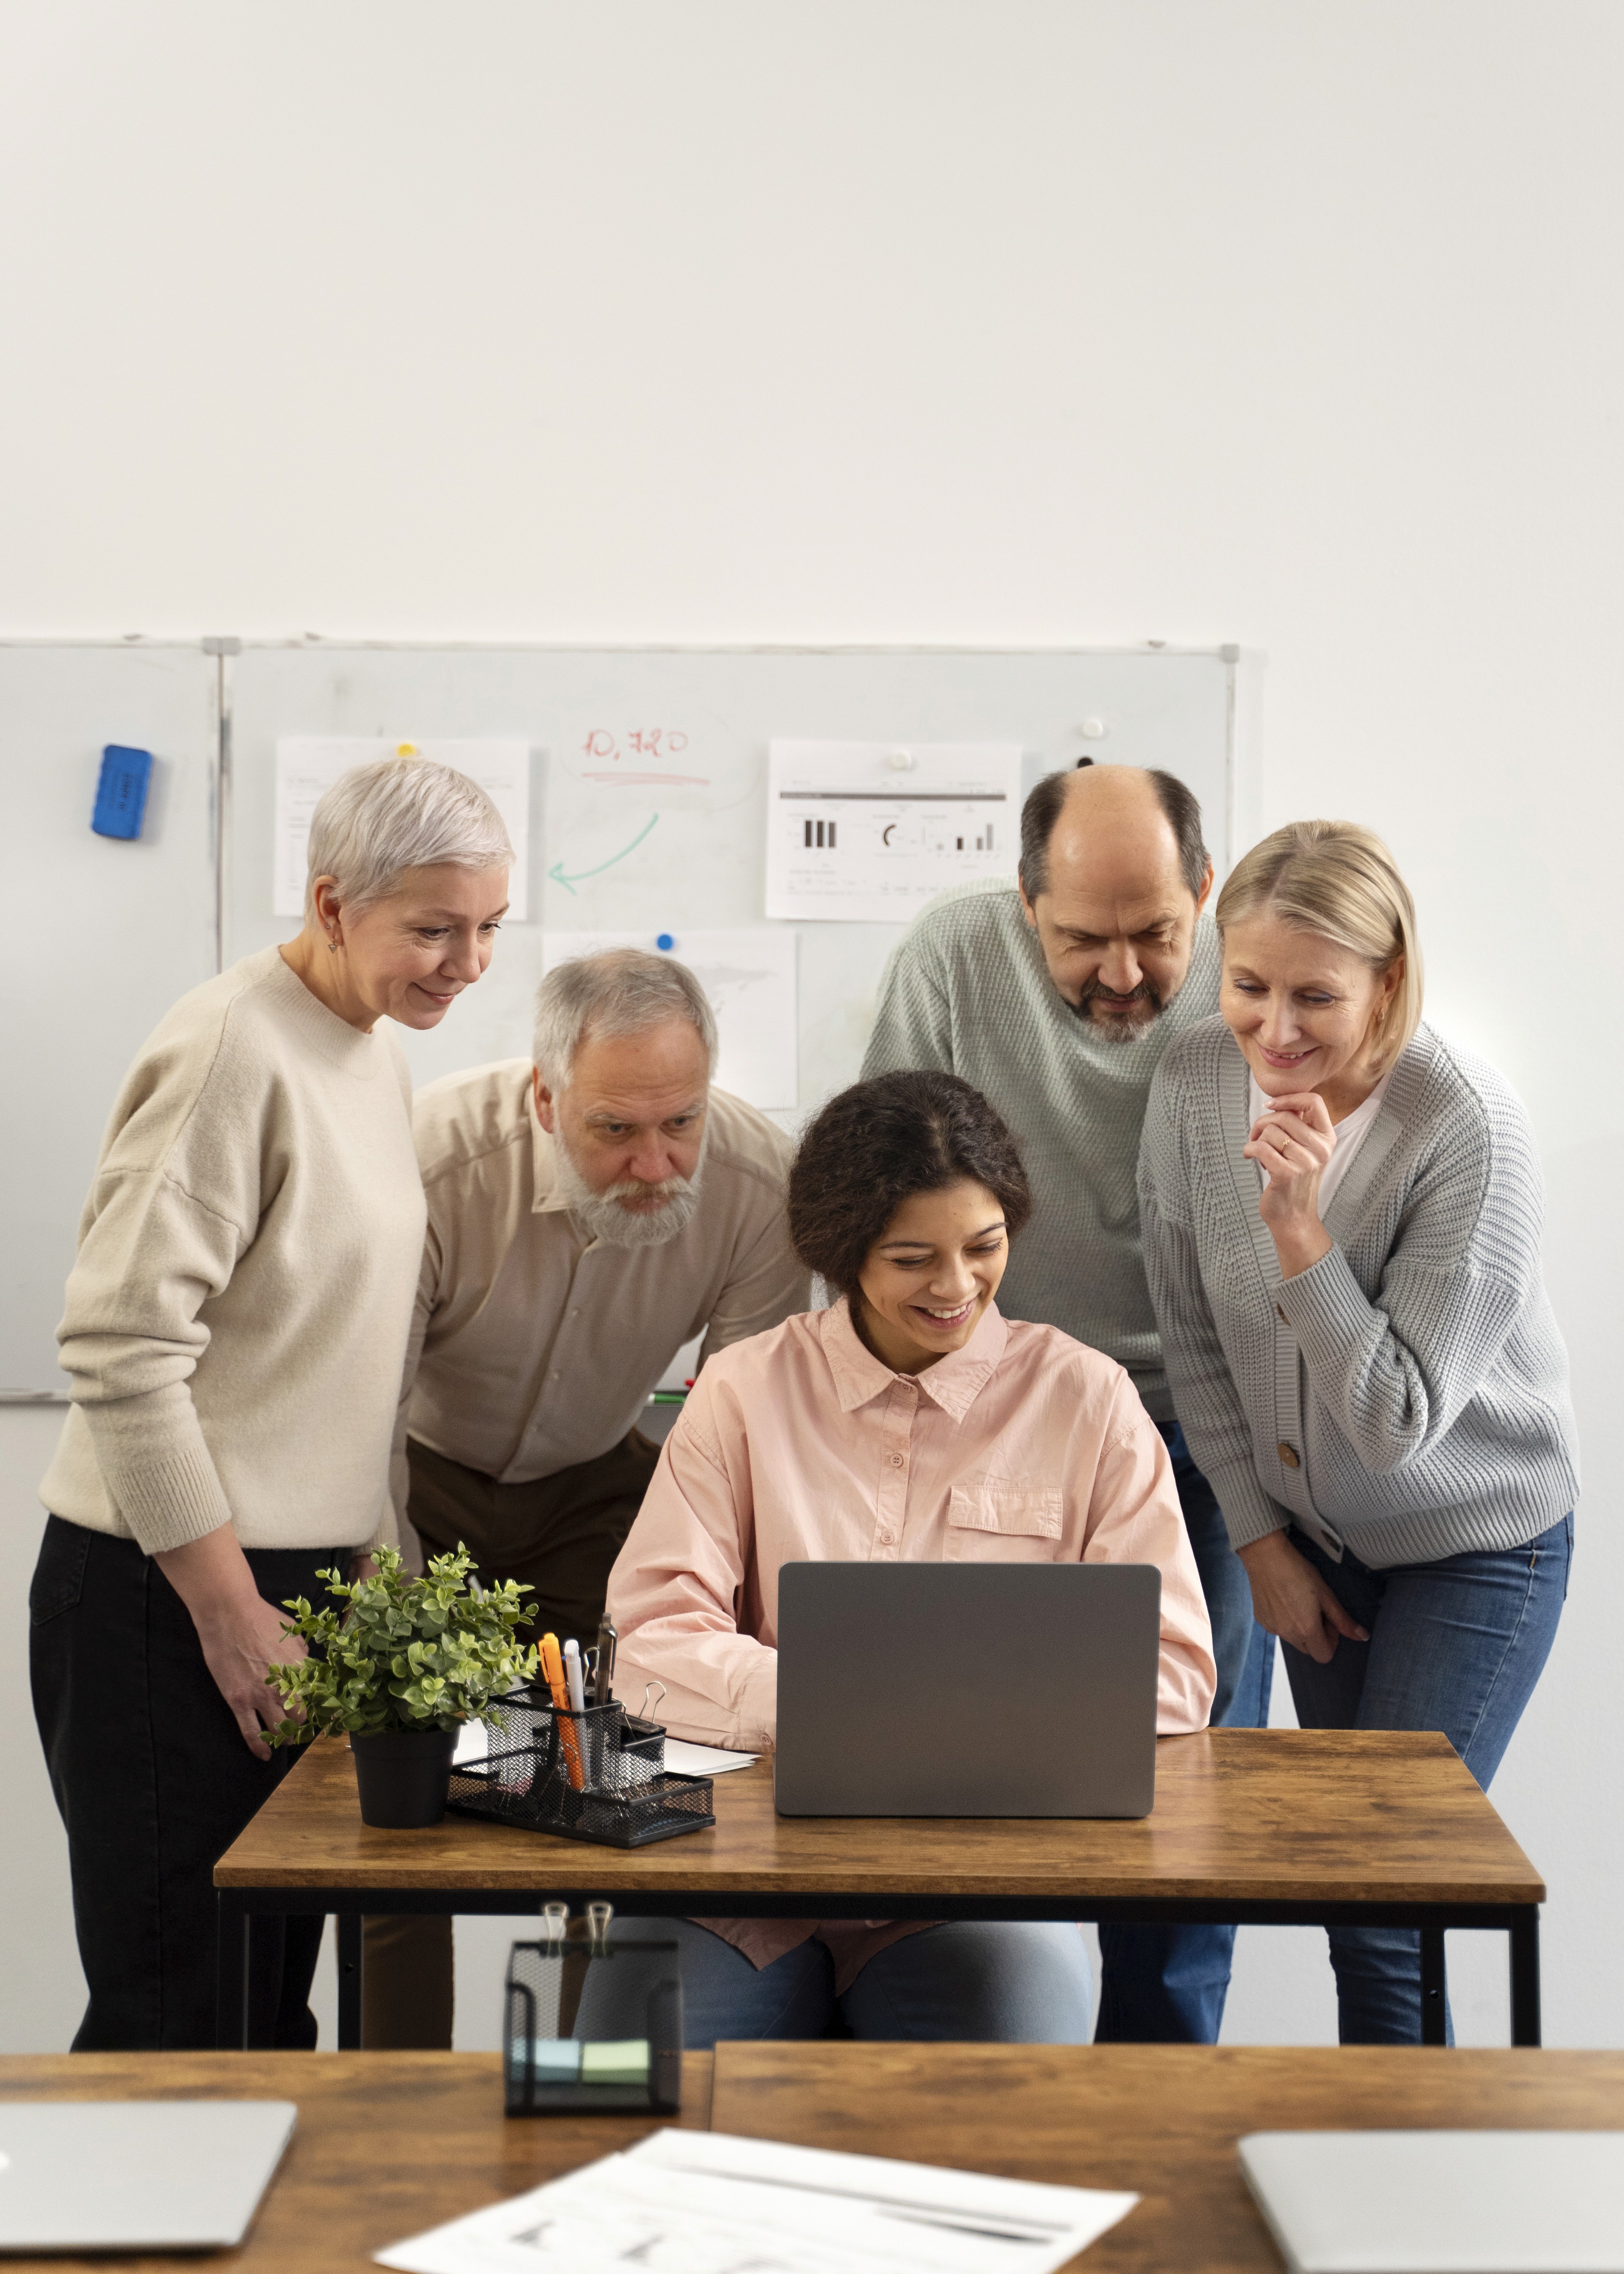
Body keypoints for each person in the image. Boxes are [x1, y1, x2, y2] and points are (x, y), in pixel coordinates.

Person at [29, 755, 511, 2052]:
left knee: (262, 2008)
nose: (466, 962)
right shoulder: (231, 1046)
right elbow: (122, 1346)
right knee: (179, 2011)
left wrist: (364, 1579)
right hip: (165, 1590)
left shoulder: (365, 1047)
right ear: (331, 901)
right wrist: (228, 1605)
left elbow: (327, 1358)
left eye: (488, 928)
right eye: (433, 927)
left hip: (297, 1589)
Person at [606, 1070, 1215, 2048]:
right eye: (912, 1257)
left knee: (1002, 2107)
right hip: (738, 1876)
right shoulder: (741, 1391)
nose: (957, 1286)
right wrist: (837, 1698)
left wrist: (927, 1714)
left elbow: (1176, 1672)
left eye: (985, 1247)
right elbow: (648, 1645)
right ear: (845, 1254)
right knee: (617, 2095)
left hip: (982, 1885)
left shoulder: (1089, 1400)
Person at [1139, 819, 1578, 2043]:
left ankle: (1407, 2200)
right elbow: (1191, 1339)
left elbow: (1393, 1421)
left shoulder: (1464, 1129)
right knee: (1350, 1889)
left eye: (1315, 995)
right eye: (1247, 986)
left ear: (1388, 981)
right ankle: (1375, 2162)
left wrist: (1298, 1233)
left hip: (1469, 1535)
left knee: (1386, 1889)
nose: (1274, 1030)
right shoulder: (1188, 1081)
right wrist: (1259, 1541)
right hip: (1313, 1536)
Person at [861, 759, 1269, 2043]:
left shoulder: (1248, 972)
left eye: (1155, 933)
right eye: (1081, 938)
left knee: (1186, 1787)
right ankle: (990, 2072)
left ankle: (1154, 2100)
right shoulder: (948, 958)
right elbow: (887, 1183)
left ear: (1202, 890)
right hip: (1010, 1421)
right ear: (1022, 899)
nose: (1123, 973)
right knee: (986, 1772)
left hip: (1207, 1429)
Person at [362, 946, 809, 2047]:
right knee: (398, 1821)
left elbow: (734, 1438)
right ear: (544, 1095)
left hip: (599, 1489)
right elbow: (360, 1416)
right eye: (615, 1129)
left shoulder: (759, 1184)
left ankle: (576, 2100)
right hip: (417, 1479)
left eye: (681, 1120)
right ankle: (399, 2100)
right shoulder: (426, 1160)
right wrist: (401, 1613)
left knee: (596, 1803)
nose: (657, 1162)